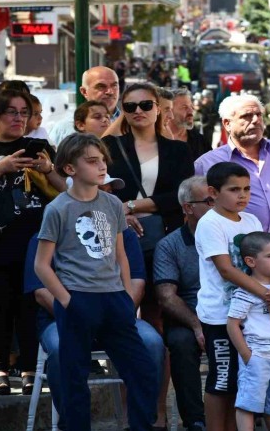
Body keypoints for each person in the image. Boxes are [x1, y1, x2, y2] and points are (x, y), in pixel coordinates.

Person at [34, 133, 160, 430]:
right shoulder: (58, 209)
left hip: (115, 299)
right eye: (92, 161)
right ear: (70, 168)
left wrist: (126, 297)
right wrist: (68, 301)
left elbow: (120, 256)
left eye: (103, 160)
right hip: (77, 298)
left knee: (142, 371)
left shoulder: (113, 203)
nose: (102, 166)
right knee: (74, 380)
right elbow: (41, 265)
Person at [102, 83, 193, 429]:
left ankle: (157, 409)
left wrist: (131, 205)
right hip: (120, 243)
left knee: (158, 324)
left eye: (145, 105)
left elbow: (179, 197)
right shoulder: (110, 147)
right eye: (130, 106)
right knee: (124, 323)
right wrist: (122, 212)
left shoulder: (177, 150)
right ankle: (129, 410)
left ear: (158, 108)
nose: (138, 111)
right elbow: (100, 189)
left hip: (165, 243)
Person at [0, 88, 64, 395]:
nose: (20, 119)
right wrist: (0, 168)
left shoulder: (38, 147)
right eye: (12, 112)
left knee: (29, 304)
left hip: (35, 240)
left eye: (24, 113)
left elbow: (65, 189)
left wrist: (48, 169)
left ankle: (30, 368)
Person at [195, 162, 270, 431]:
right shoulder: (209, 224)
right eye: (234, 189)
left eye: (247, 189)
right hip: (220, 314)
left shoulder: (251, 221)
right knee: (222, 380)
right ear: (213, 192)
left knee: (242, 381)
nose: (243, 195)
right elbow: (226, 269)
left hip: (252, 317)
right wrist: (269, 296)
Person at [195, 94, 270, 240]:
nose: (256, 120)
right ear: (227, 124)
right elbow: (195, 216)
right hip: (229, 252)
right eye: (246, 116)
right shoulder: (206, 164)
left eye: (259, 114)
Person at [154, 176, 211, 431]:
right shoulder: (170, 245)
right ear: (188, 207)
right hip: (188, 315)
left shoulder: (233, 236)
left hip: (231, 313)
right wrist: (197, 325)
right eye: (209, 201)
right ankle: (195, 420)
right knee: (181, 342)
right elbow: (166, 296)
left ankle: (248, 413)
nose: (217, 205)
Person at [226, 231, 270, 431]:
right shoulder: (245, 292)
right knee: (248, 405)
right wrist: (247, 356)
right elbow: (232, 324)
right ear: (250, 261)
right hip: (258, 357)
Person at [49, 66, 121, 145]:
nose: (110, 92)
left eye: (114, 86)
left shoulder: (129, 122)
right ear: (84, 92)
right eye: (101, 87)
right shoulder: (65, 128)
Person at [171, 88, 210, 159]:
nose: (191, 111)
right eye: (184, 107)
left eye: (191, 106)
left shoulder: (200, 141)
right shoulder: (156, 140)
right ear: (170, 111)